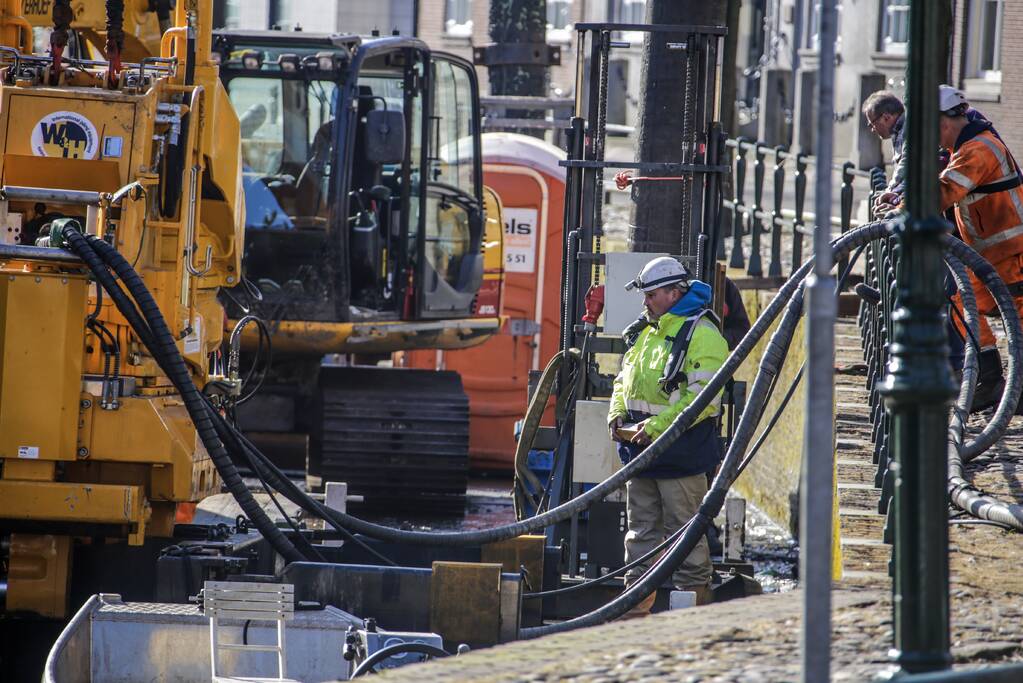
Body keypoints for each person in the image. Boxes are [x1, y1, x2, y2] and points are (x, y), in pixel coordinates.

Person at [608, 256, 728, 615]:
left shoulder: (703, 335)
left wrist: (657, 428)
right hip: (642, 454)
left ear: (675, 293)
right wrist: (616, 414)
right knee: (640, 533)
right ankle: (633, 612)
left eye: (652, 294)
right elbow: (623, 379)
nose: (646, 302)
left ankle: (691, 617)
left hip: (680, 454)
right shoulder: (649, 331)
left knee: (685, 536)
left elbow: (703, 400)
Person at [938, 85, 1023, 410]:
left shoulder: (979, 150)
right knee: (962, 305)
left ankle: (1010, 388)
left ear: (943, 122)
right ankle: (990, 380)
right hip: (989, 257)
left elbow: (943, 192)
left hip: (1012, 254)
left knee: (1017, 321)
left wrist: (902, 208)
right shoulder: (967, 147)